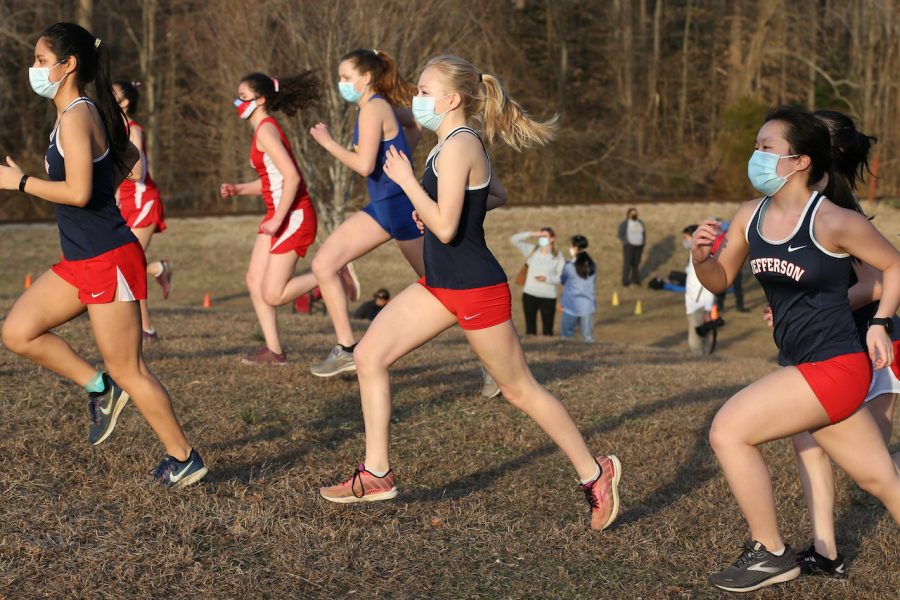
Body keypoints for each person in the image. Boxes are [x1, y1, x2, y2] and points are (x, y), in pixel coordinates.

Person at [318, 54, 621, 532]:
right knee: (370, 355)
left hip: (476, 289)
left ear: (452, 99)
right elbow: (494, 195)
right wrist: (443, 204)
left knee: (519, 390)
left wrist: (411, 190)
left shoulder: (459, 146)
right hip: (440, 284)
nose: (415, 100)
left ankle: (594, 473)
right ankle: (377, 473)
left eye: (423, 92)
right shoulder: (454, 144)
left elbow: (442, 227)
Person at [692, 107, 900, 592]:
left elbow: (893, 266)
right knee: (882, 480)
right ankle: (802, 552)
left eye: (766, 148)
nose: (755, 156)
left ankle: (771, 554)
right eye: (756, 146)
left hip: (838, 366)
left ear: (799, 161)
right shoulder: (750, 215)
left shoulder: (833, 220)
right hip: (803, 363)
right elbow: (719, 280)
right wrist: (699, 259)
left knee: (728, 430)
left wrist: (878, 323)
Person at [0, 22, 206, 486]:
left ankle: (184, 457)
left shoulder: (76, 115)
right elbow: (126, 158)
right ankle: (99, 388)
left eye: (39, 60)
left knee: (129, 368)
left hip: (107, 259)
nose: (33, 68)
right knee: (18, 332)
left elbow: (76, 192)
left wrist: (21, 182)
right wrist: (94, 191)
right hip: (81, 260)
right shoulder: (78, 111)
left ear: (67, 64)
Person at [784, 109, 900, 577]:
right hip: (828, 345)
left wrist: (815, 302)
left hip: (870, 344)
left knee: (874, 469)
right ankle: (825, 549)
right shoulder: (801, 202)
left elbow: (876, 284)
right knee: (806, 438)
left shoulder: (838, 206)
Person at [307, 49, 423, 377]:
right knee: (324, 264)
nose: (340, 83)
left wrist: (328, 143)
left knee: (445, 288)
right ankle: (346, 349)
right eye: (340, 77)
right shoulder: (378, 108)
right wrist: (399, 154)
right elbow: (413, 127)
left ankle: (494, 361)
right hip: (381, 208)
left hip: (400, 208)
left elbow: (363, 166)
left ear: (366, 78)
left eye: (346, 77)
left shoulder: (373, 110)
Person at [219, 72, 321, 365]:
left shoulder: (265, 129)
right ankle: (274, 351)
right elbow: (272, 181)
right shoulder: (261, 129)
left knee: (273, 294)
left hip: (294, 216)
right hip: (279, 215)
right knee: (254, 280)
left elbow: (292, 177)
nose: (237, 102)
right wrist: (239, 188)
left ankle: (332, 273)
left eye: (243, 97)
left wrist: (277, 219)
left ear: (260, 100)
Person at [112, 80, 172, 341]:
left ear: (125, 103)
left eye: (112, 95)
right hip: (126, 203)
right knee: (124, 263)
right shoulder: (113, 131)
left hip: (143, 201)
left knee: (130, 264)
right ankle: (159, 268)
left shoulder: (134, 130)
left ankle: (146, 328)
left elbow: (140, 172)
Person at [510, 228, 564, 335]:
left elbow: (561, 277)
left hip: (548, 296)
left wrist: (547, 279)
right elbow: (514, 239)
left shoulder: (557, 256)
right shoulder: (532, 250)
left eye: (545, 236)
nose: (541, 238)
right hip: (530, 294)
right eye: (540, 236)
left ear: (552, 239)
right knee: (530, 330)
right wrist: (532, 233)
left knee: (548, 331)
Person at [682, 225, 715, 355]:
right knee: (700, 336)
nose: (685, 242)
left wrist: (708, 309)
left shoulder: (703, 257)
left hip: (699, 305)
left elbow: (708, 285)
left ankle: (701, 361)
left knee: (696, 341)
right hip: (692, 303)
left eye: (686, 238)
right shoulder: (693, 256)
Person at [559, 234, 596, 342]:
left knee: (566, 337)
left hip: (571, 306)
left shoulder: (569, 267)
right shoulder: (593, 265)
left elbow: (563, 280)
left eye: (571, 246)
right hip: (587, 306)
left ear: (575, 248)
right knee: (588, 337)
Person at [711, 220, 747, 312]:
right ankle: (727, 306)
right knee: (729, 287)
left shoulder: (726, 236)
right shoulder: (721, 237)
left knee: (732, 287)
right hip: (727, 266)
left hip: (730, 266)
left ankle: (735, 306)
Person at [617, 207, 644, 286]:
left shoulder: (640, 222)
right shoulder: (625, 223)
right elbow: (620, 234)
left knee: (636, 263)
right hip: (629, 246)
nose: (634, 214)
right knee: (627, 263)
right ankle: (625, 280)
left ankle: (635, 279)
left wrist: (643, 242)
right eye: (632, 213)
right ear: (628, 214)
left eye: (635, 212)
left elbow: (643, 232)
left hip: (639, 246)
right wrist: (626, 242)